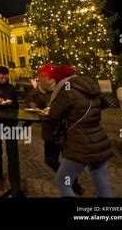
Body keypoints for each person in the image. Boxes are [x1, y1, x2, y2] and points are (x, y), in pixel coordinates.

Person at [49, 66, 113, 197]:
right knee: (100, 179)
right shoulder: (91, 87)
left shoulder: (68, 90)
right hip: (98, 138)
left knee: (62, 180)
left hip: (80, 142)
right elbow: (103, 105)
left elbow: (54, 114)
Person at [27, 65, 87, 197]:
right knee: (50, 160)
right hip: (49, 131)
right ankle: (74, 185)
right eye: (39, 77)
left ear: (51, 78)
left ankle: (73, 186)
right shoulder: (39, 90)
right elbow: (30, 98)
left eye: (43, 77)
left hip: (63, 130)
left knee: (66, 160)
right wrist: (32, 103)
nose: (40, 80)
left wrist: (51, 108)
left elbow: (65, 108)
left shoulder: (61, 89)